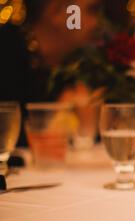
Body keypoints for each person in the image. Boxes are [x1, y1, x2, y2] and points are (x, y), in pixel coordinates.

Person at [0, 0, 101, 146]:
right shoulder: (6, 52)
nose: (96, 23)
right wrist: (60, 110)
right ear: (57, 12)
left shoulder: (77, 65)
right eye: (92, 10)